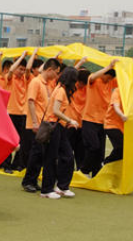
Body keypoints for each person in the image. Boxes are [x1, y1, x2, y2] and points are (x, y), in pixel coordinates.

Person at [21, 58, 61, 193]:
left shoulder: (46, 84)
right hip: (36, 123)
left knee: (40, 154)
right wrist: (34, 122)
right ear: (49, 70)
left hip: (43, 124)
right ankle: (28, 181)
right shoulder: (36, 82)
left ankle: (33, 180)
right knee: (35, 153)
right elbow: (31, 102)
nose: (56, 76)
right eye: (56, 72)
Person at [41, 67, 79, 199]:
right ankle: (46, 190)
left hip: (59, 127)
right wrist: (70, 120)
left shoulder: (61, 90)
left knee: (68, 156)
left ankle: (62, 187)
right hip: (54, 126)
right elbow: (55, 111)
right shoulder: (61, 91)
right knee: (51, 158)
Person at [79, 59, 118, 177]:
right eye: (108, 77)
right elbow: (91, 77)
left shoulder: (110, 82)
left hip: (103, 122)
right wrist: (108, 66)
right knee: (94, 146)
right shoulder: (94, 80)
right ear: (104, 74)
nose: (110, 81)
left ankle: (96, 175)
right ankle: (84, 170)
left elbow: (123, 79)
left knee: (100, 151)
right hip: (89, 120)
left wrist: (129, 65)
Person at [3, 49, 37, 172]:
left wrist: (32, 55)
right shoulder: (10, 78)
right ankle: (6, 164)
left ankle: (17, 164)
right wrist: (22, 56)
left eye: (23, 69)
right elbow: (11, 70)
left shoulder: (26, 79)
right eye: (20, 69)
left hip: (23, 114)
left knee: (21, 141)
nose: (21, 71)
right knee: (10, 140)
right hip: (11, 112)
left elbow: (28, 69)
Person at [65, 68, 90, 170]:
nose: (81, 85)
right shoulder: (70, 87)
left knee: (81, 150)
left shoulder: (88, 87)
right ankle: (66, 170)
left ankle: (80, 170)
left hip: (81, 123)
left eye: (83, 83)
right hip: (70, 122)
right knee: (68, 150)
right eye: (80, 82)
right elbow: (71, 71)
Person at [103, 88, 128, 164]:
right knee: (121, 147)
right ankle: (105, 162)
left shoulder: (132, 94)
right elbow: (116, 106)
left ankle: (110, 166)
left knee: (124, 151)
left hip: (123, 127)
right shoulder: (117, 91)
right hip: (111, 124)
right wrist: (122, 115)